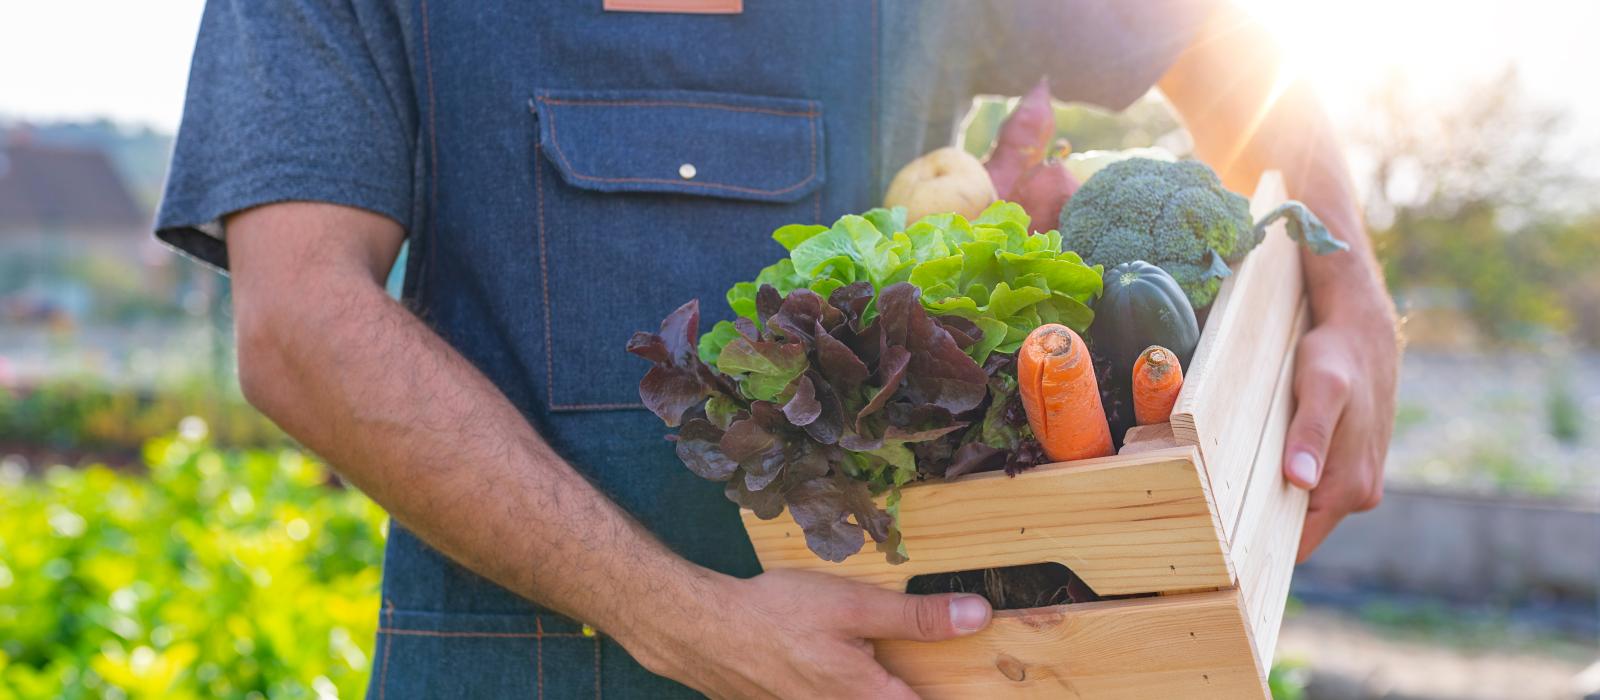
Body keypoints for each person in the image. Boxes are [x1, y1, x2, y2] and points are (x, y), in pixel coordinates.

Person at [156, 1, 1398, 697]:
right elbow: (299, 321)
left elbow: (1221, 43)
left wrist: (1349, 288)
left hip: (908, 664)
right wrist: (676, 614)